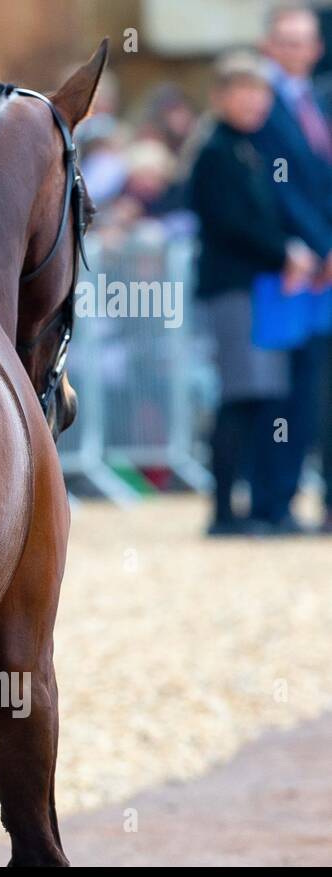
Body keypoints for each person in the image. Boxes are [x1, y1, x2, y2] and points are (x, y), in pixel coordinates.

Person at [187, 51, 319, 535]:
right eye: (243, 92)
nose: (253, 102)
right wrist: (283, 255)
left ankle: (249, 504)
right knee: (241, 396)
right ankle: (223, 510)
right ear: (221, 97)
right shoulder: (218, 151)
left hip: (255, 287)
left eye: (260, 92)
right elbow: (234, 224)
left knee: (257, 394)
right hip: (233, 287)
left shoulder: (248, 148)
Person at [251, 3, 332, 530]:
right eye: (285, 39)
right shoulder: (257, 105)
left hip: (324, 269)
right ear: (268, 46)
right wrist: (319, 247)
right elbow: (275, 188)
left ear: (317, 48)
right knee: (285, 390)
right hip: (291, 269)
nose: (294, 49)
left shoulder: (322, 102)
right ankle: (275, 501)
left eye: (303, 40)